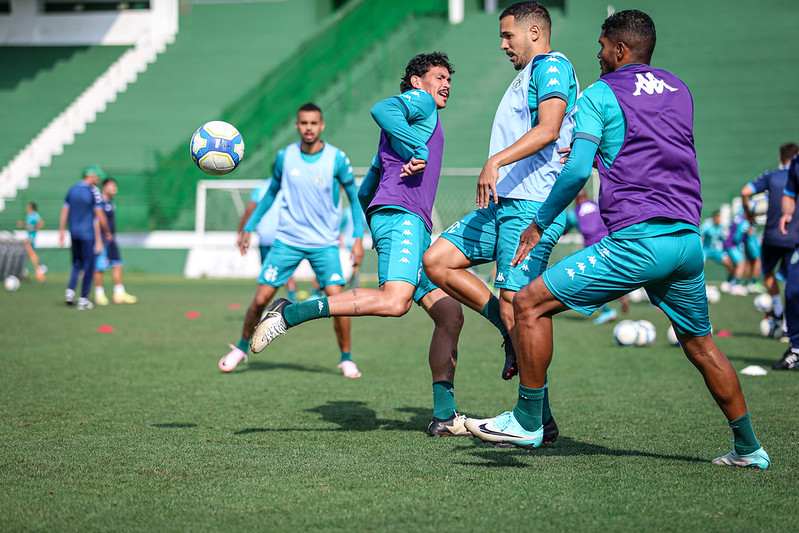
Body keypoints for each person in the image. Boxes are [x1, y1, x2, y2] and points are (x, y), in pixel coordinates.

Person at [465, 10, 770, 469]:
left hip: (638, 239)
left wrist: (540, 221)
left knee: (528, 303)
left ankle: (528, 421)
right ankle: (749, 449)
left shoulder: (600, 94)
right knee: (702, 345)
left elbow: (572, 173)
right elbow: (649, 146)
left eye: (603, 47)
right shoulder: (679, 90)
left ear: (620, 49)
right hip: (686, 241)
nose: (598, 55)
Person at [250, 53, 469, 437]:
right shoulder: (417, 106)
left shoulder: (409, 126)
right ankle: (290, 314)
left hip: (410, 225)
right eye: (438, 77)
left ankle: (445, 416)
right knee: (395, 301)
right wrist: (413, 159)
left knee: (450, 315)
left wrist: (371, 222)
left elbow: (368, 183)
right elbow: (381, 107)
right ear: (417, 82)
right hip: (403, 219)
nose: (446, 84)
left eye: (449, 78)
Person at [422, 2, 578, 442]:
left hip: (530, 205)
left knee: (517, 303)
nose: (504, 45)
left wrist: (495, 161)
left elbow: (549, 128)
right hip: (503, 204)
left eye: (509, 36)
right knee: (437, 262)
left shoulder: (551, 66)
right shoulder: (528, 73)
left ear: (534, 31)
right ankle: (507, 333)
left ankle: (538, 420)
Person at [218, 103, 365, 378]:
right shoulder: (285, 157)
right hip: (288, 240)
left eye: (313, 123)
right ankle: (240, 348)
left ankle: (346, 358)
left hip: (325, 243)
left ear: (321, 126)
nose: (308, 128)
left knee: (339, 300)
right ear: (297, 126)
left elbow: (354, 199)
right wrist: (248, 227)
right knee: (261, 298)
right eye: (303, 123)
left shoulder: (337, 159)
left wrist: (358, 238)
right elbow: (271, 193)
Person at [741, 142, 799, 335]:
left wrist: (748, 213)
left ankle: (779, 314)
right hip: (795, 238)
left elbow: (745, 192)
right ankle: (790, 325)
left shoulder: (771, 176)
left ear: (780, 159)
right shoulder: (796, 177)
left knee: (768, 274)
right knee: (793, 282)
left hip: (772, 236)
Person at [563, 188, 627, 324]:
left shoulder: (574, 213)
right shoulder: (598, 206)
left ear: (575, 199)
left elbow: (565, 230)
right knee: (611, 277)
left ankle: (607, 311)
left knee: (586, 284)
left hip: (593, 251)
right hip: (611, 246)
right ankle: (620, 295)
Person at [237, 178, 297, 303]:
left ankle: (263, 306)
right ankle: (292, 301)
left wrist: (242, 231)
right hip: (285, 236)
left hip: (266, 236)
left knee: (267, 273)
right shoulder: (290, 185)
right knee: (286, 271)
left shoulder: (260, 188)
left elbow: (249, 211)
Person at [58, 165, 110, 310]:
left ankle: (70, 291)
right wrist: (107, 230)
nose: (99, 179)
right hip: (87, 234)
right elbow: (99, 214)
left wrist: (62, 231)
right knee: (89, 264)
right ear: (90, 176)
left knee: (76, 263)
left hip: (74, 233)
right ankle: (83, 298)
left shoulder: (72, 190)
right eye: (97, 176)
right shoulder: (93, 192)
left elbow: (64, 212)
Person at [93, 178, 137, 305]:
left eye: (115, 187)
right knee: (99, 267)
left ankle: (119, 293)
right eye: (112, 186)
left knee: (117, 264)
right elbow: (96, 221)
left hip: (111, 238)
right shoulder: (99, 202)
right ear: (104, 187)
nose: (115, 189)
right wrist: (99, 240)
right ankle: (99, 294)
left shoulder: (110, 202)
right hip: (101, 239)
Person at [774, 153, 799, 370]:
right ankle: (797, 348)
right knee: (792, 290)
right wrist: (786, 214)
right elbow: (790, 194)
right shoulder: (797, 163)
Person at [699, 211, 733, 281]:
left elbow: (724, 239)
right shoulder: (707, 226)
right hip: (705, 249)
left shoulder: (721, 227)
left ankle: (729, 283)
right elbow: (699, 235)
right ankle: (698, 284)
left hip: (715, 250)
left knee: (729, 263)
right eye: (717, 218)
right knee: (699, 266)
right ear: (714, 218)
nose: (718, 220)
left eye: (719, 218)